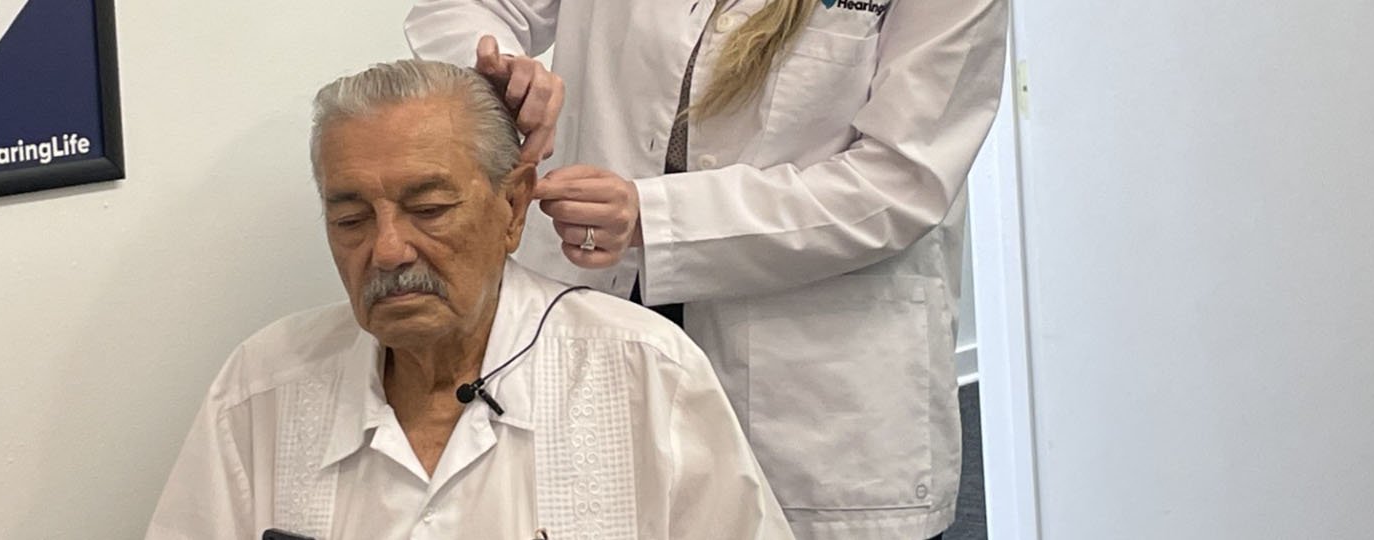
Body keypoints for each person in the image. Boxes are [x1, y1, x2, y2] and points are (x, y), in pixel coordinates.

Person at [406, 1, 1008, 539]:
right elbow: (466, 8)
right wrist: (498, 72)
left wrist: (656, 217)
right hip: (594, 307)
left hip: (809, 367)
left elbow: (900, 182)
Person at [145, 59, 792, 540]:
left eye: (428, 209)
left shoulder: (644, 374)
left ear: (512, 208)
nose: (389, 249)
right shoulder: (264, 387)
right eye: (351, 220)